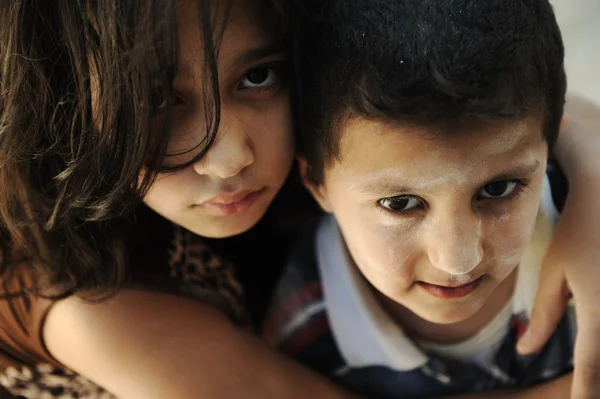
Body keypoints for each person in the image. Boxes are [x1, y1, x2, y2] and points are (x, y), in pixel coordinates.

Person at [0, 0, 599, 398]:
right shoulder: (82, 301)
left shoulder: (311, 137)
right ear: (70, 109)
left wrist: (593, 186)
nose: (230, 155)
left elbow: (503, 109)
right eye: (158, 100)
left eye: (257, 76)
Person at [265, 0, 579, 397]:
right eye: (400, 204)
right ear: (316, 182)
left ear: (552, 145)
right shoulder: (301, 338)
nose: (457, 259)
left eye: (497, 190)